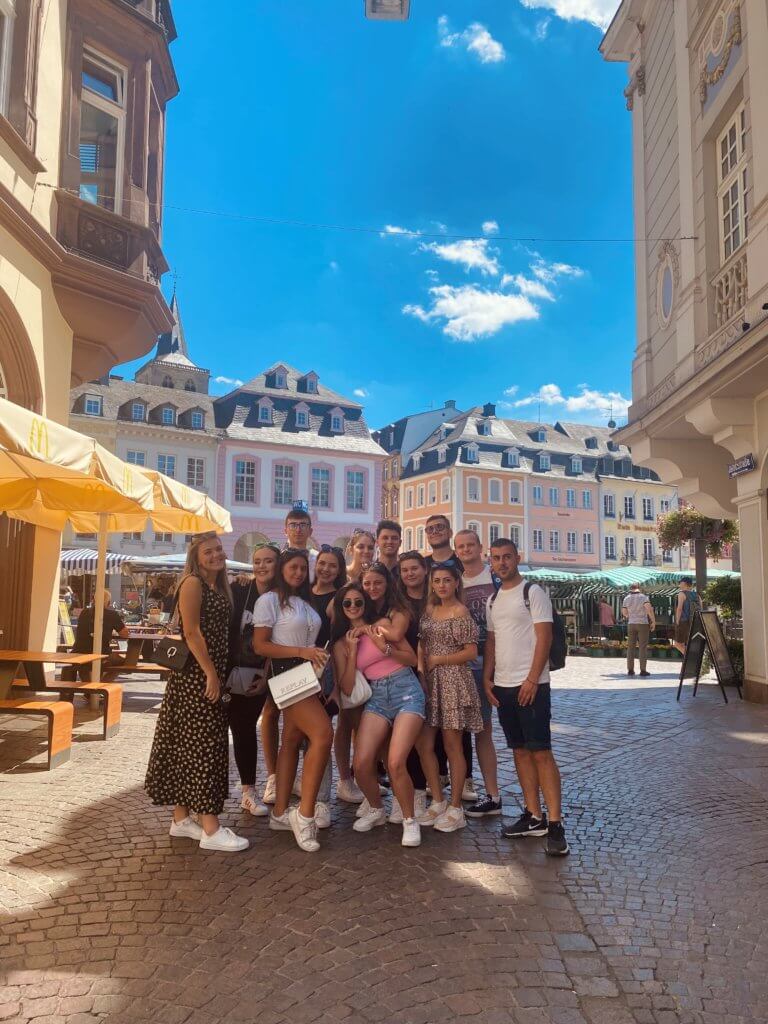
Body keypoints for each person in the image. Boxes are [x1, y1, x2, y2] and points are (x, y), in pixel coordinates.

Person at [145, 533, 247, 852]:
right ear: (196, 556)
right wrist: (211, 674)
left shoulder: (219, 585)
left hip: (200, 676)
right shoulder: (192, 583)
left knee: (187, 746)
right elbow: (191, 632)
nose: (216, 554)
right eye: (209, 551)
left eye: (219, 549)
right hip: (197, 677)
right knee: (204, 747)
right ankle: (210, 828)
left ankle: (181, 819)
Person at [484, 537, 569, 857]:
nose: (501, 562)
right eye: (496, 558)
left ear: (517, 558)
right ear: (490, 561)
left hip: (531, 684)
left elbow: (544, 637)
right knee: (519, 752)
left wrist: (533, 679)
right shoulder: (492, 600)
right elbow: (492, 642)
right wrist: (487, 677)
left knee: (541, 752)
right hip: (504, 685)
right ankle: (534, 816)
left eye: (506, 557)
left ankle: (556, 823)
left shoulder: (532, 592)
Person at [332, 582, 425, 847]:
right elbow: (347, 687)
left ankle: (409, 820)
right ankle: (376, 808)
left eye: (358, 602)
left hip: (406, 689)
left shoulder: (382, 624)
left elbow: (411, 659)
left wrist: (379, 643)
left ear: (365, 604)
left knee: (395, 762)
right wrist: (351, 654)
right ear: (340, 608)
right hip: (376, 697)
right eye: (346, 603)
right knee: (361, 764)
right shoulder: (341, 643)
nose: (352, 607)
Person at [253, 549, 332, 853]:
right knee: (323, 734)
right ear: (282, 569)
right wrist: (302, 653)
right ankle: (305, 814)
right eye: (293, 567)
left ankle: (279, 812)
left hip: (307, 675)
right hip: (287, 674)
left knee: (291, 740)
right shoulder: (269, 600)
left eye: (302, 568)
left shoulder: (303, 601)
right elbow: (260, 645)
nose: (298, 573)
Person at [416, 562, 481, 833]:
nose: (441, 585)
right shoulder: (430, 610)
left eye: (446, 580)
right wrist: (421, 669)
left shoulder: (461, 611)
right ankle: (438, 799)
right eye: (437, 580)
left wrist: (439, 659)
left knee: (452, 744)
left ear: (456, 583)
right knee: (424, 743)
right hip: (431, 682)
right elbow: (421, 641)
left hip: (453, 680)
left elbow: (470, 652)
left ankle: (456, 806)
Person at [227, 541, 280, 818]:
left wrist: (266, 676)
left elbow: (280, 639)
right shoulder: (240, 589)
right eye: (257, 561)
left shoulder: (282, 597)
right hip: (227, 671)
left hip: (257, 676)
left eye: (268, 561)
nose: (261, 566)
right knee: (222, 728)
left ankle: (248, 791)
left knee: (245, 727)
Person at [454, 530, 502, 817]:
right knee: (457, 732)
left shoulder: (495, 578)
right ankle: (456, 796)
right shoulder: (453, 581)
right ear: (456, 551)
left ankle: (493, 795)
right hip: (460, 663)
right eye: (461, 546)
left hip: (489, 661)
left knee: (484, 730)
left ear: (480, 548)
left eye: (470, 545)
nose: (466, 550)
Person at [306, 545, 347, 826]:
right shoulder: (302, 592)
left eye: (332, 565)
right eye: (322, 563)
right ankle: (306, 793)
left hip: (325, 671)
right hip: (297, 667)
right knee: (299, 736)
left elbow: (343, 641)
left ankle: (321, 801)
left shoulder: (343, 598)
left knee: (320, 734)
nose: (326, 569)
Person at [63, 591, 129, 681]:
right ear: (108, 603)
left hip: (78, 652)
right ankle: (101, 685)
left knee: (85, 662)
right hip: (101, 654)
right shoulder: (112, 615)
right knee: (124, 662)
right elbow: (125, 634)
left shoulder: (84, 613)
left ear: (93, 600)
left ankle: (89, 688)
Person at [622, 583, 655, 677]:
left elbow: (624, 612)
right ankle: (643, 670)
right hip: (643, 624)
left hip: (631, 624)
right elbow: (649, 610)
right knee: (642, 647)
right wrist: (653, 621)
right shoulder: (644, 597)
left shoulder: (626, 598)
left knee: (630, 647)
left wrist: (630, 616)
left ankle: (630, 670)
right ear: (639, 588)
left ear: (630, 588)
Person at [283, 507, 317, 580]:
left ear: (310, 531)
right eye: (293, 525)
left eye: (303, 525)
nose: (298, 530)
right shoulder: (278, 558)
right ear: (285, 531)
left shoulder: (317, 560)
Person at [674, 577, 701, 655]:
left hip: (684, 621)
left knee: (678, 644)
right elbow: (701, 608)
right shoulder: (697, 595)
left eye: (680, 583)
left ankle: (688, 657)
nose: (679, 585)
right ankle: (688, 659)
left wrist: (677, 621)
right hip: (695, 622)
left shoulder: (681, 594)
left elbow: (679, 609)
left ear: (684, 584)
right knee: (689, 642)